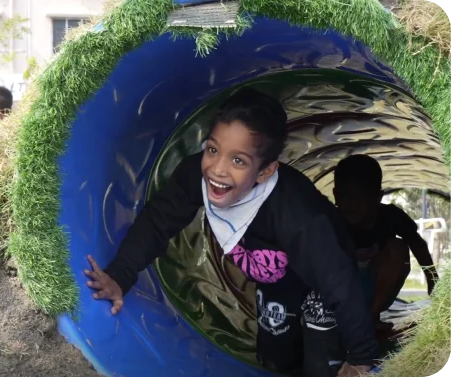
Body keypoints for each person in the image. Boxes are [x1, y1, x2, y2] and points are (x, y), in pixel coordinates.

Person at [84, 88, 378, 377]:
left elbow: (339, 282)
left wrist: (361, 358)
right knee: (275, 359)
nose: (218, 169)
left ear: (265, 171)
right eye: (213, 150)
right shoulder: (196, 176)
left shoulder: (298, 215)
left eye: (238, 160)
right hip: (278, 281)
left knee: (320, 361)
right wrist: (120, 276)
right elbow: (157, 221)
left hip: (323, 282)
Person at [333, 154, 439, 331]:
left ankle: (371, 318)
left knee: (398, 248)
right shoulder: (330, 220)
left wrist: (433, 281)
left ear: (377, 197)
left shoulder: (390, 216)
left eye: (361, 195)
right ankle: (332, 318)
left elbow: (417, 244)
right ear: (335, 195)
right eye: (345, 195)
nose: (352, 203)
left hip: (374, 288)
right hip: (338, 291)